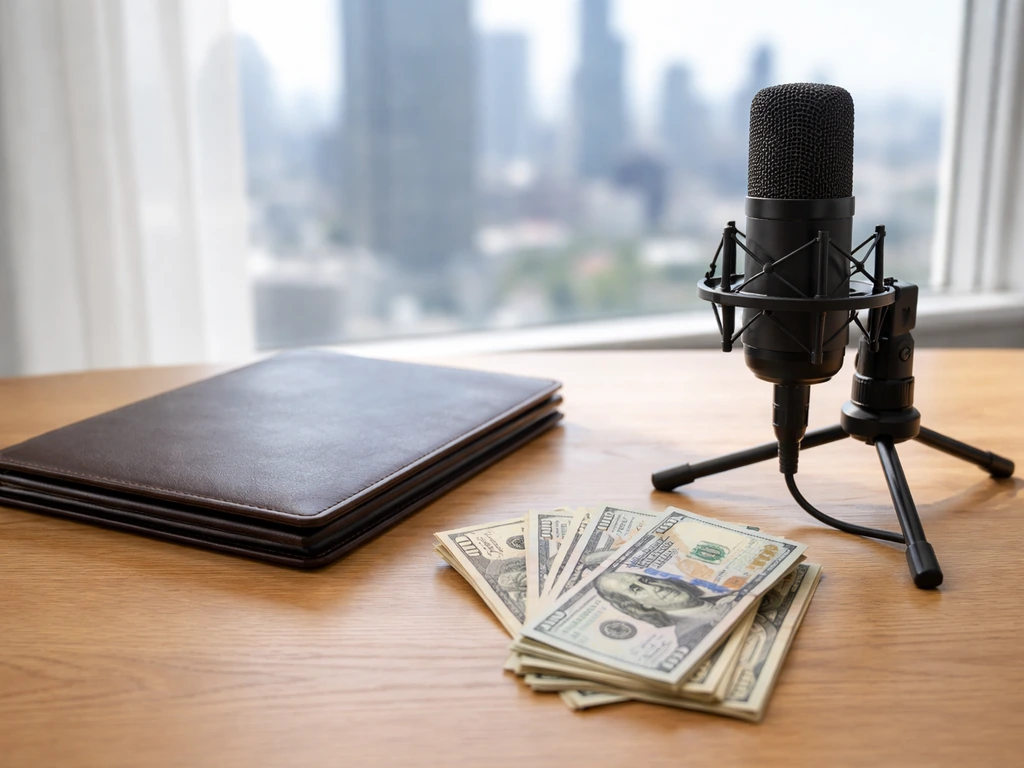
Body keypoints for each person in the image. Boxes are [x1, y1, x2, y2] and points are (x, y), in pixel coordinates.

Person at [594, 571, 733, 648]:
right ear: (639, 605)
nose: (655, 587)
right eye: (636, 590)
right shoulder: (692, 638)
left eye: (646, 581)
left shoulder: (728, 597)